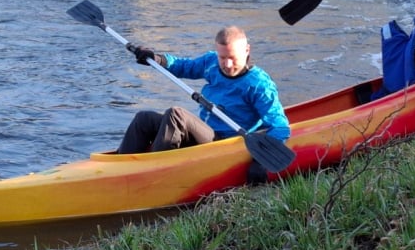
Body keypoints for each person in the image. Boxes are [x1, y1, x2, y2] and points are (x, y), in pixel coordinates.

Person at [116, 26, 290, 162]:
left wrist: (259, 160)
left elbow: (281, 127)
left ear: (246, 51)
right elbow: (184, 66)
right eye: (223, 58)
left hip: (226, 142)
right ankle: (120, 164)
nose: (227, 64)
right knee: (144, 118)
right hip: (206, 133)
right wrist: (157, 59)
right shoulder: (211, 62)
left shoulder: (259, 84)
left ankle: (153, 169)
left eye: (233, 57)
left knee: (176, 115)